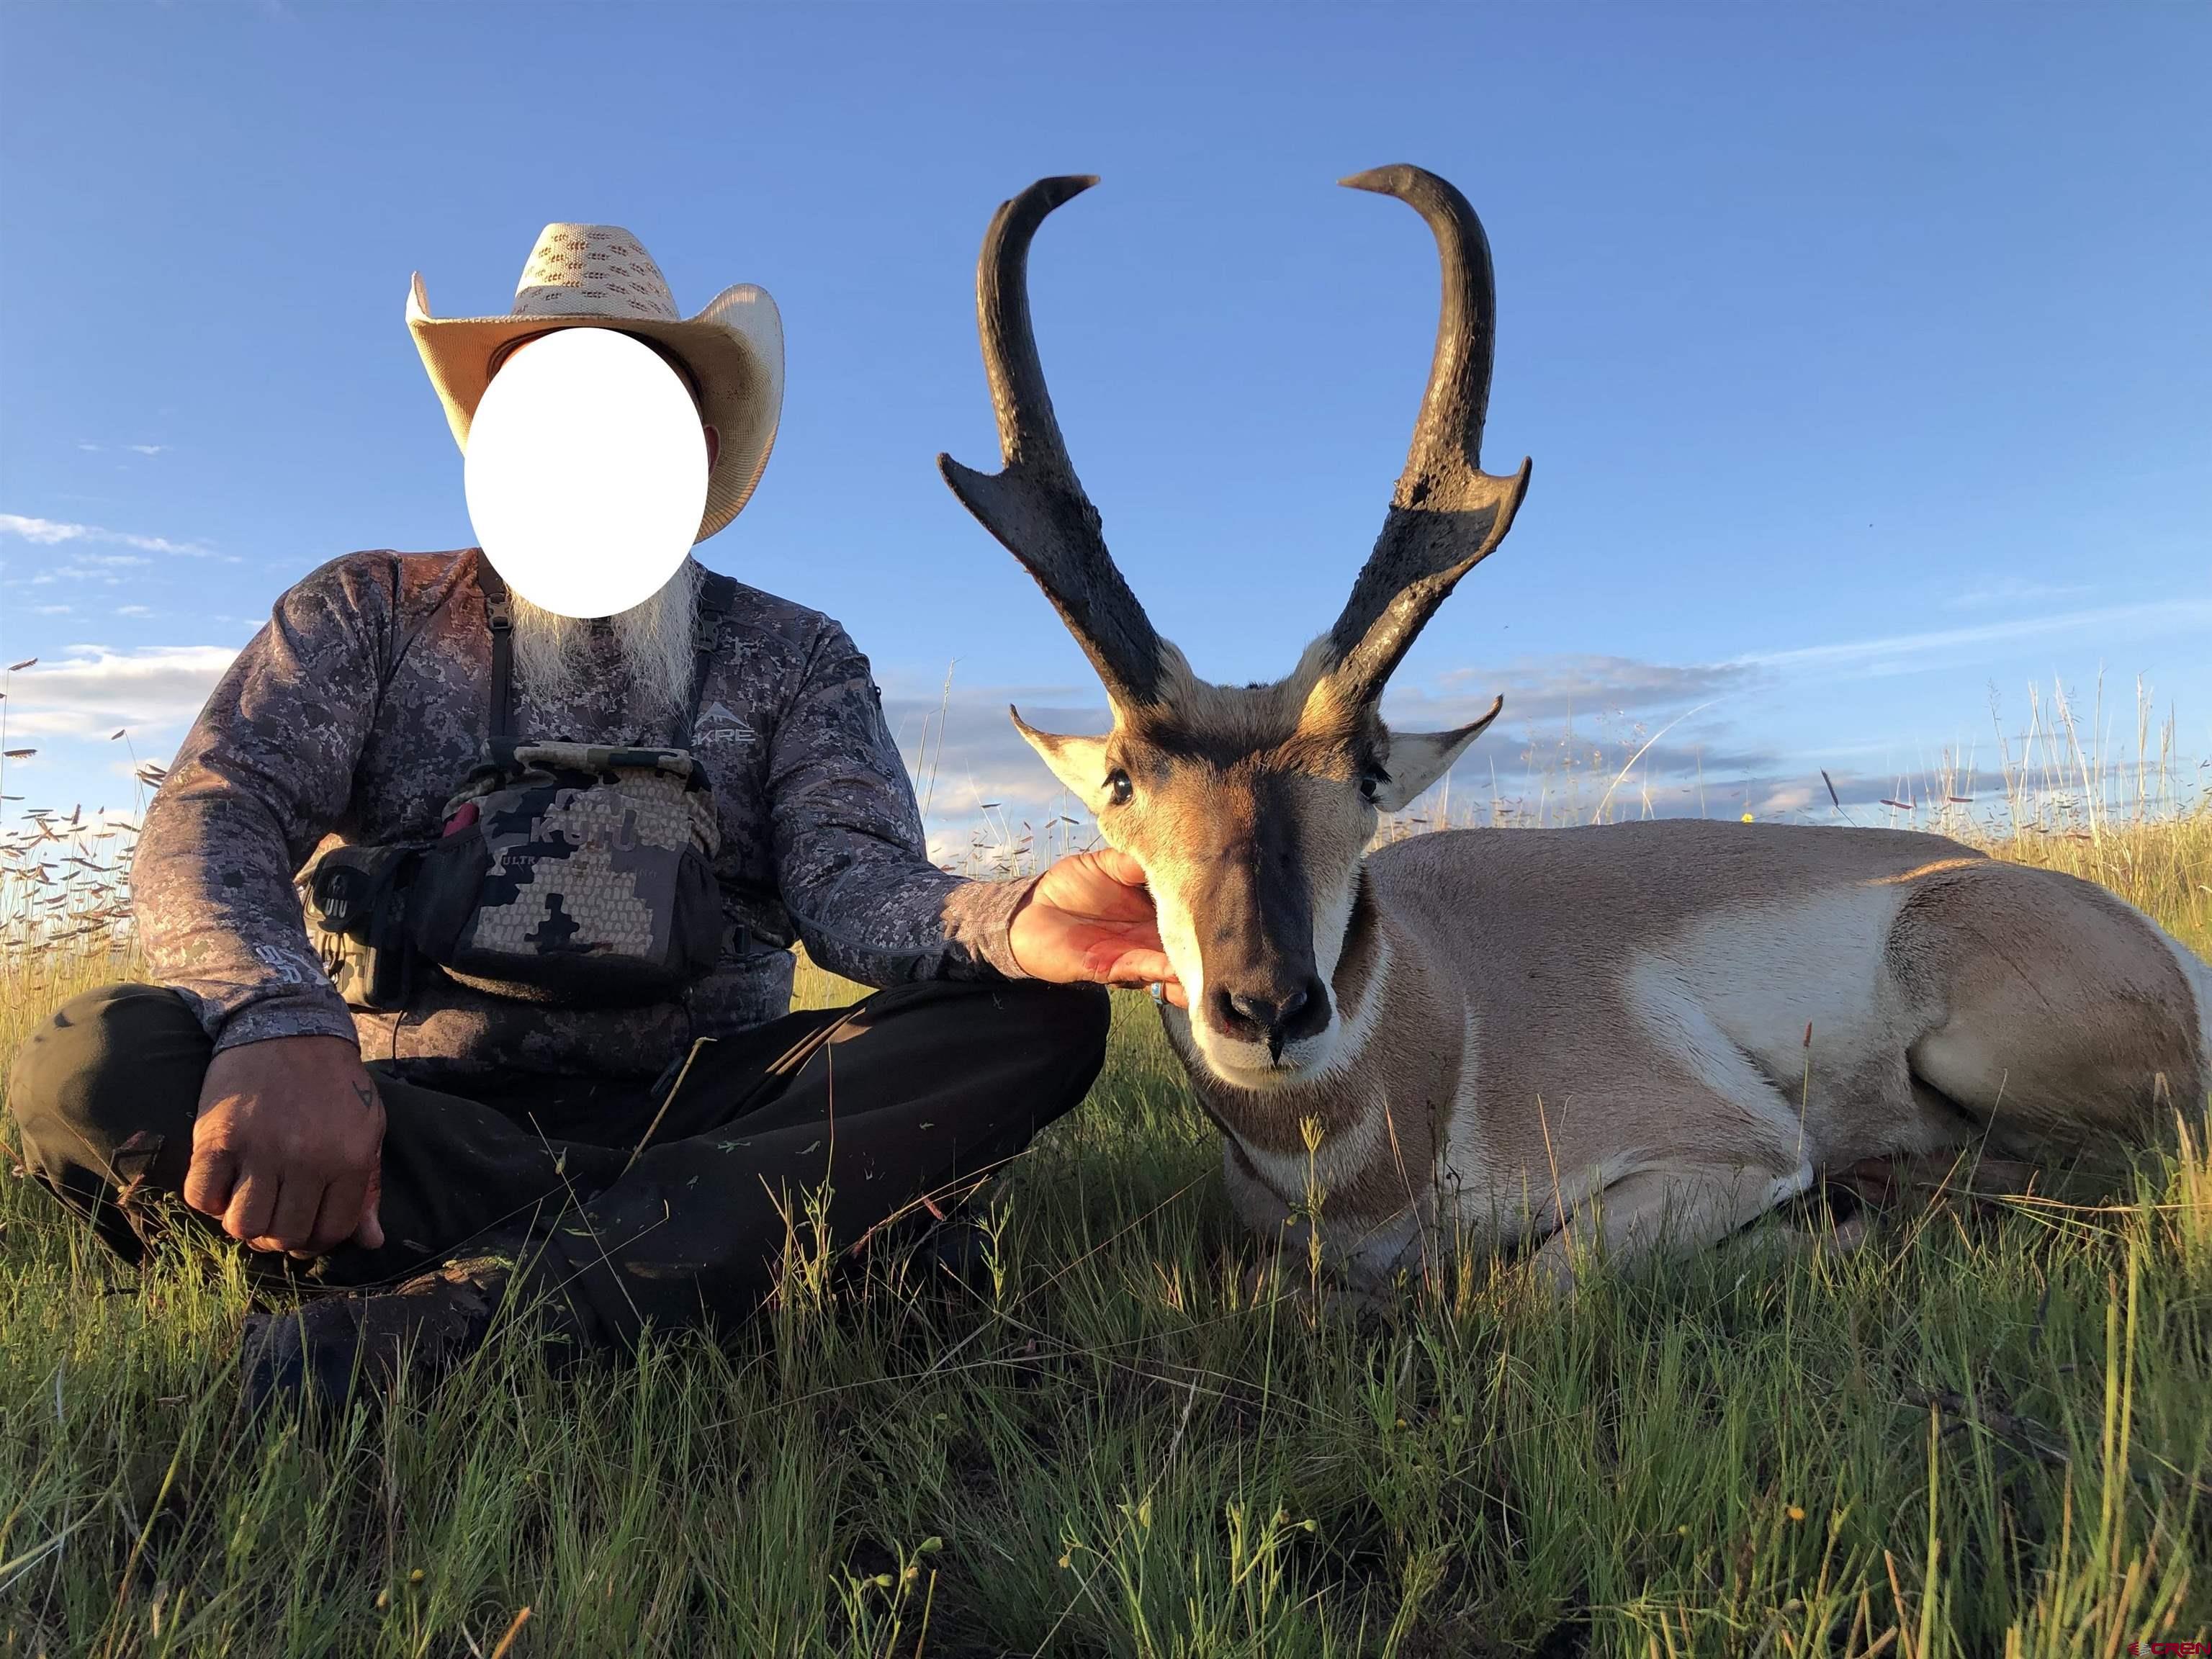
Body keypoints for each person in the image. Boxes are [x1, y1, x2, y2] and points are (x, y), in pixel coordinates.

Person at [7, 224, 1178, 1411]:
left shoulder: (795, 654)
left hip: (704, 1102)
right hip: (409, 1118)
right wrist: (275, 1022)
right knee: (89, 1063)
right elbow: (215, 814)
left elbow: (853, 882)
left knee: (1039, 1022)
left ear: (700, 445)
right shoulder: (365, 609)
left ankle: (466, 1306)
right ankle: (723, 1254)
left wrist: (1018, 916)